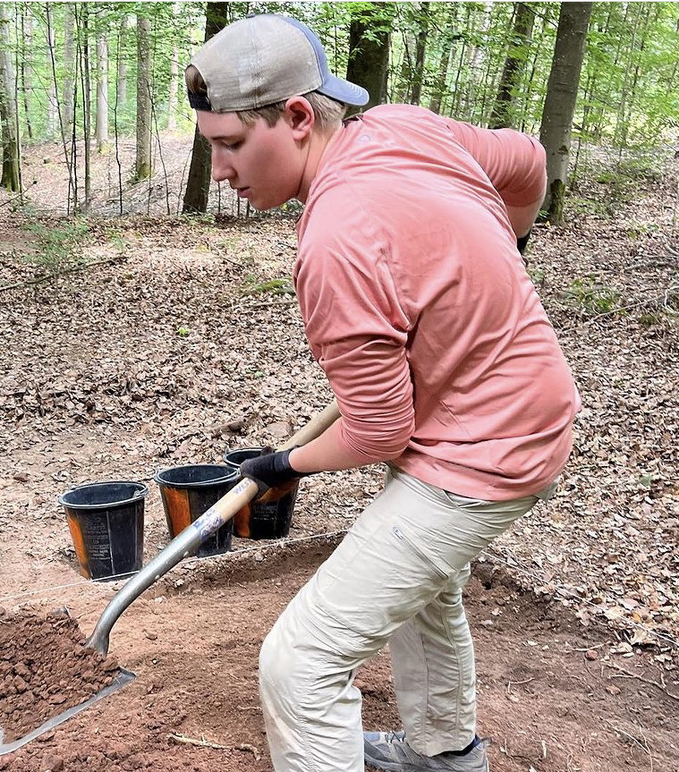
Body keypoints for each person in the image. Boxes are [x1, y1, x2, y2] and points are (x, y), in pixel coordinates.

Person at [186, 13, 580, 772]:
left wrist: (283, 468)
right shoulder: (406, 128)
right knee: (421, 588)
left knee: (298, 665)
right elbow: (527, 161)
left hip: (483, 454)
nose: (224, 172)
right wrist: (512, 241)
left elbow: (377, 431)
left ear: (297, 117)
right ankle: (444, 752)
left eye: (231, 144)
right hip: (522, 408)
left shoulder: (335, 241)